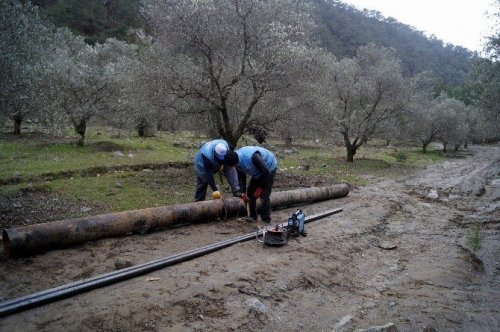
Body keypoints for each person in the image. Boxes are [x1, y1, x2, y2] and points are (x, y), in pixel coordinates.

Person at [229, 146, 277, 224]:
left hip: (269, 168)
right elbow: (241, 177)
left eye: (234, 165)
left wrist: (260, 188)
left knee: (264, 196)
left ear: (236, 162)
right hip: (258, 172)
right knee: (250, 193)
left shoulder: (252, 157)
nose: (234, 167)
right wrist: (243, 193)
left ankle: (266, 220)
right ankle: (252, 216)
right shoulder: (236, 162)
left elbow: (266, 173)